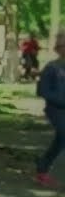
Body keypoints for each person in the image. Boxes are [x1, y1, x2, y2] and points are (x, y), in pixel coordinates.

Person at [33, 34, 65, 188]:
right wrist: (60, 100)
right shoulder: (52, 68)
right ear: (58, 49)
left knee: (61, 141)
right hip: (56, 110)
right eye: (63, 46)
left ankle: (42, 167)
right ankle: (43, 168)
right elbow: (42, 91)